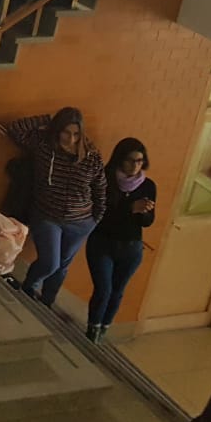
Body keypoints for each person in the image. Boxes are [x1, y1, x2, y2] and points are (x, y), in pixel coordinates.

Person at [7, 108, 106, 307]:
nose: (71, 139)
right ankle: (28, 288)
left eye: (76, 134)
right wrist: (48, 118)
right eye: (66, 132)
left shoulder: (91, 156)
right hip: (47, 215)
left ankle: (47, 302)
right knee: (50, 262)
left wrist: (96, 219)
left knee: (62, 266)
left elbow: (100, 188)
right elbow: (16, 129)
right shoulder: (44, 145)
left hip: (81, 221)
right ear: (57, 130)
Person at [85, 138, 155, 343]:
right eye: (130, 160)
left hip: (131, 247)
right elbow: (100, 213)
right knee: (103, 289)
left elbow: (148, 222)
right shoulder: (105, 179)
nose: (135, 166)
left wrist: (144, 211)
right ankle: (92, 329)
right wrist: (130, 208)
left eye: (140, 161)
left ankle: (104, 329)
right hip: (102, 243)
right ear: (119, 160)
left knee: (117, 291)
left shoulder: (148, 185)